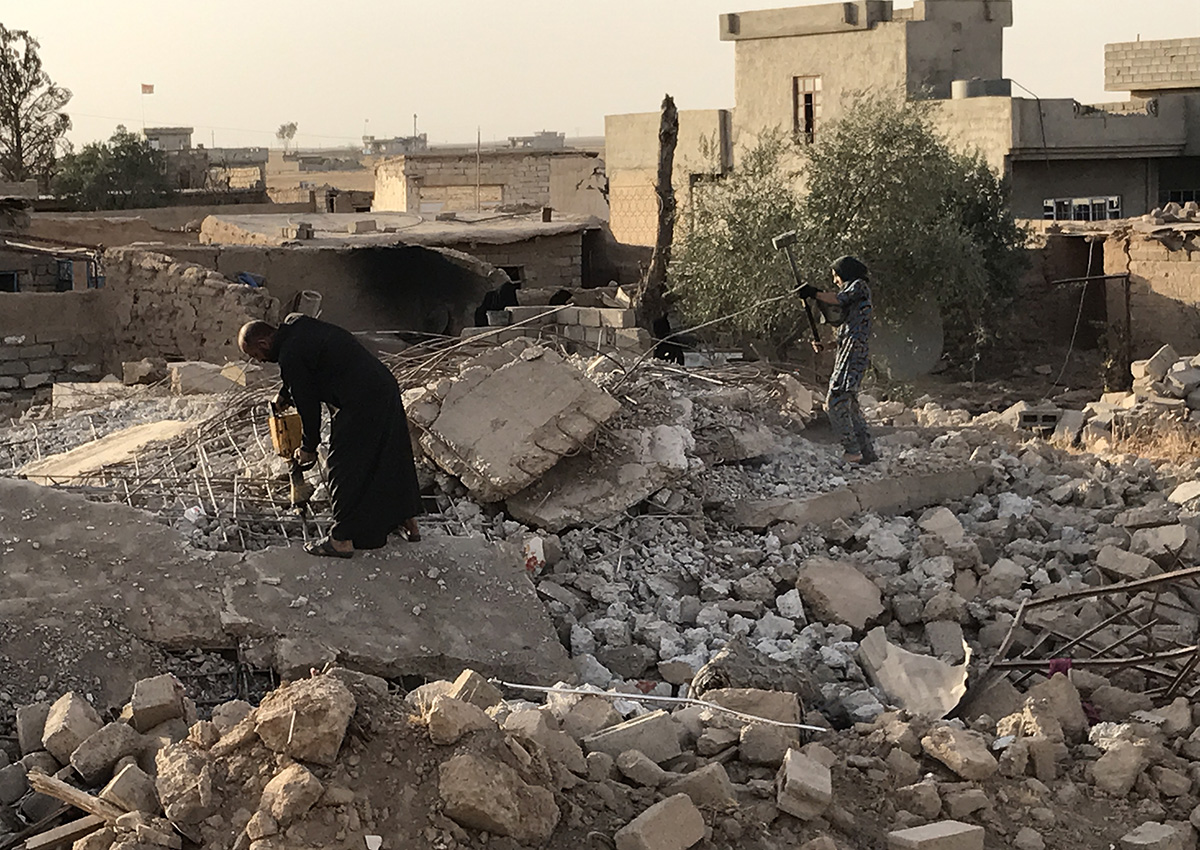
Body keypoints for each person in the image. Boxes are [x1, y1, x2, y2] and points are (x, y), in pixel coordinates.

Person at [238, 316, 423, 557]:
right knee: (390, 454)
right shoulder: (300, 326)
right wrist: (285, 394)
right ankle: (409, 523)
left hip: (360, 402)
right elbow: (306, 366)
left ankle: (341, 540)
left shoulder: (289, 355)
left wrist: (308, 446)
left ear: (263, 343)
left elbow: (308, 406)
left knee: (343, 467)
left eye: (255, 355)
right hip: (384, 387)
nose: (260, 361)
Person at [796, 256, 878, 465]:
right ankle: (866, 452)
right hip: (848, 352)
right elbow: (847, 333)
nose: (835, 281)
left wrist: (813, 293)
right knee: (849, 404)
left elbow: (839, 299)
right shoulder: (854, 300)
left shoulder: (858, 286)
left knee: (835, 400)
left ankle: (852, 451)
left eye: (836, 276)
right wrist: (827, 346)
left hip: (853, 353)